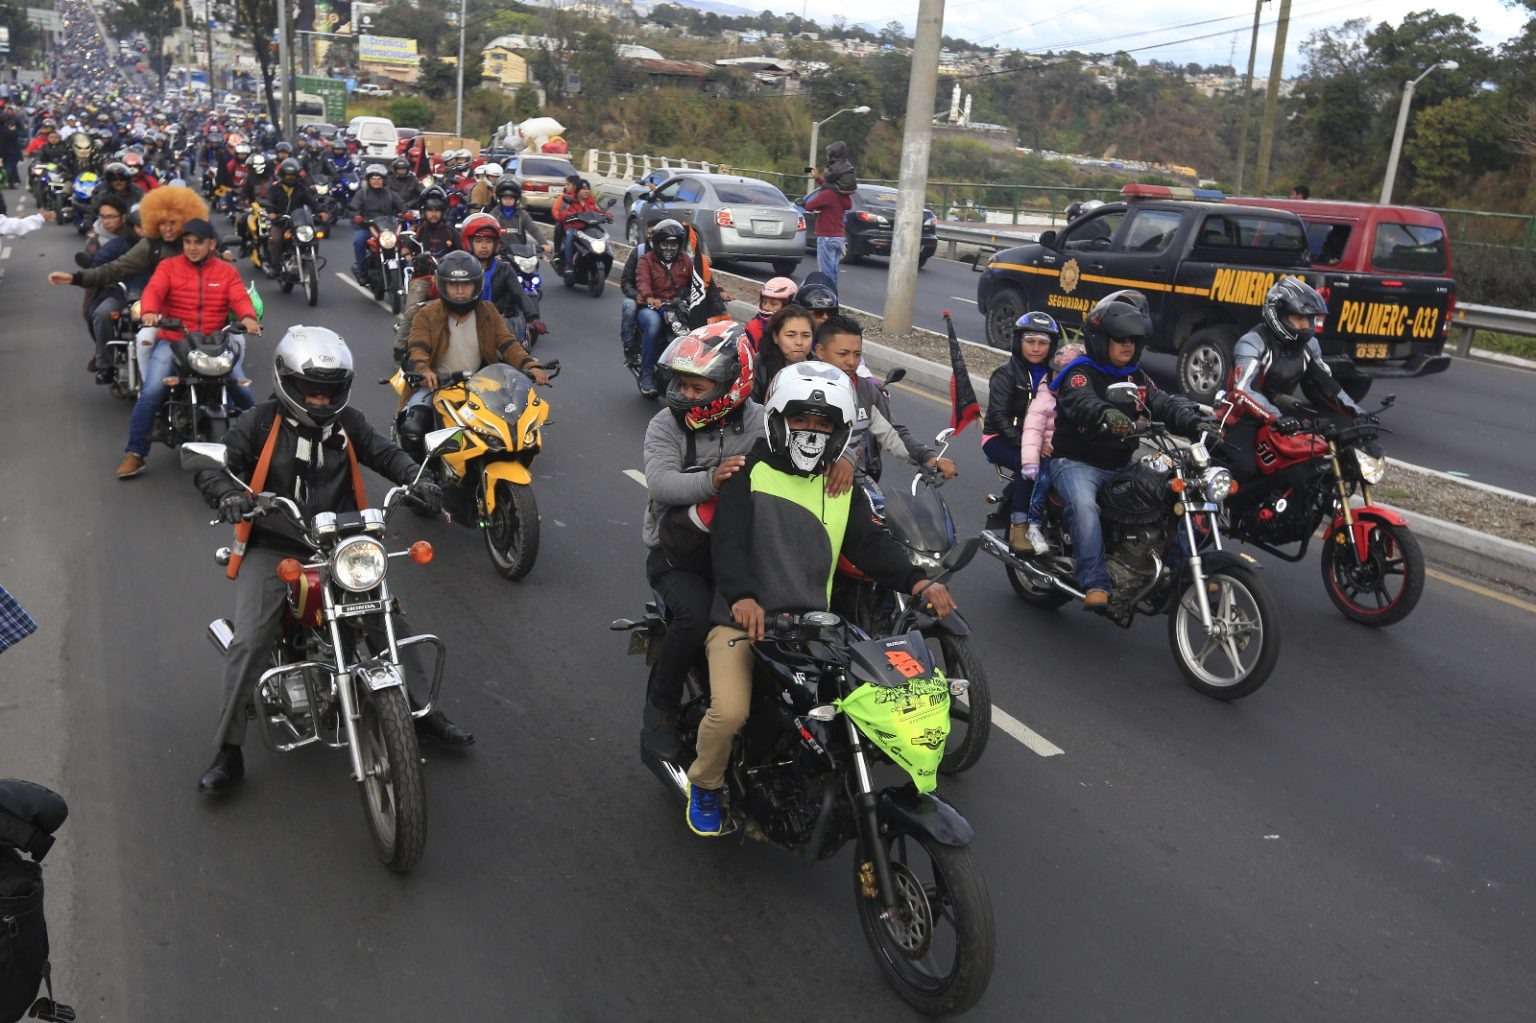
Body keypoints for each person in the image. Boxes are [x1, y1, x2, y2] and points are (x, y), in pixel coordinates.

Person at [192, 327, 471, 794]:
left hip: (341, 543)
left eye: (330, 390)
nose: (321, 400)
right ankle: (228, 750)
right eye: (311, 390)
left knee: (388, 618)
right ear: (286, 381)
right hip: (277, 544)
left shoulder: (351, 424)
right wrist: (227, 495)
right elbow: (211, 466)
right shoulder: (259, 423)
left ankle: (420, 710)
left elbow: (386, 454)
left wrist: (416, 479)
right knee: (252, 638)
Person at [685, 361, 956, 836]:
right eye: (801, 419)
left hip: (812, 623)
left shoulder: (837, 484)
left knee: (861, 702)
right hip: (742, 620)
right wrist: (743, 598)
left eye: (823, 422)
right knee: (731, 712)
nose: (812, 430)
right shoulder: (749, 474)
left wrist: (919, 582)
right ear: (778, 420)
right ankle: (706, 785)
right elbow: (726, 542)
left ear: (839, 430)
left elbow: (870, 546)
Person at [639, 322, 763, 761]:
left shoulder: (762, 420)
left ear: (734, 382)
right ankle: (660, 709)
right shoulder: (665, 424)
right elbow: (661, 484)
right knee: (693, 618)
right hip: (678, 554)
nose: (685, 394)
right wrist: (712, 479)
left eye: (697, 385)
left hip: (745, 549)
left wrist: (841, 460)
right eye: (682, 384)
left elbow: (805, 447)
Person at [1050, 290, 1212, 609]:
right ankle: (1095, 581)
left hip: (1119, 463)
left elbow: (1161, 401)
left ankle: (1183, 572)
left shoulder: (1134, 376)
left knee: (1171, 496)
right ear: (1100, 339)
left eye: (1134, 340)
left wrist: (1196, 422)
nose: (1128, 345)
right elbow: (1084, 403)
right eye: (1120, 338)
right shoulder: (1080, 374)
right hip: (1075, 463)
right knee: (1085, 507)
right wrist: (1107, 415)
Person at [114, 217, 261, 480]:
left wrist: (248, 318)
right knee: (151, 393)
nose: (192, 247)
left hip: (216, 341)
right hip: (174, 340)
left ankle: (263, 452)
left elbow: (239, 297)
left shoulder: (226, 271)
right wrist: (149, 312)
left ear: (212, 244)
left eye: (199, 242)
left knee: (243, 391)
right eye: (188, 242)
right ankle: (135, 453)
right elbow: (154, 291)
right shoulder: (168, 267)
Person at [396, 251, 551, 461]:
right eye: (453, 285)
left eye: (466, 285)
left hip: (479, 385)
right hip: (436, 385)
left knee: (515, 422)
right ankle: (415, 480)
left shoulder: (488, 311)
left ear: (476, 286)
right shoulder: (427, 314)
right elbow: (418, 345)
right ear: (443, 286)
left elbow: (507, 343)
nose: (460, 291)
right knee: (413, 428)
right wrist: (423, 369)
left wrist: (529, 365)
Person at [1220, 278, 1362, 480]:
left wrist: (1357, 412)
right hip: (1241, 418)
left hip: (1284, 417)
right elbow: (1243, 389)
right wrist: (1276, 417)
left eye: (1310, 319)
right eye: (1299, 318)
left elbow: (1325, 385)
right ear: (1277, 315)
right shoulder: (1252, 342)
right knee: (1246, 469)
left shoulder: (1310, 345)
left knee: (1316, 464)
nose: (1306, 325)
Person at [812, 314, 955, 509]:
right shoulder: (799, 388)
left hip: (853, 485)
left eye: (857, 354)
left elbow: (893, 434)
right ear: (820, 351)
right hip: (806, 483)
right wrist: (838, 458)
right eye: (843, 354)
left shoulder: (867, 392)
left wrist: (929, 457)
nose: (851, 362)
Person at [981, 311, 1060, 553]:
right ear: (1019, 342)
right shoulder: (1005, 375)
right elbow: (997, 416)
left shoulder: (1055, 376)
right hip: (1000, 438)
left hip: (1041, 439)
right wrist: (1026, 444)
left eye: (1043, 343)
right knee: (1030, 468)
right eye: (1030, 341)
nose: (1036, 348)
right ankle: (1018, 527)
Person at [1018, 342, 1085, 556]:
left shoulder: (1085, 399)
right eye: (1058, 372)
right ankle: (1034, 526)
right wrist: (1031, 461)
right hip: (1050, 453)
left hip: (1077, 455)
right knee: (1044, 481)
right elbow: (1032, 430)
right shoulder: (1045, 399)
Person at [634, 219, 692, 397]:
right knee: (653, 324)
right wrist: (649, 296)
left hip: (676, 307)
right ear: (657, 244)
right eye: (665, 243)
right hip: (651, 307)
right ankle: (647, 374)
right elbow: (642, 281)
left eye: (673, 244)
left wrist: (718, 292)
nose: (669, 248)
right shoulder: (646, 260)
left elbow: (700, 281)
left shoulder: (686, 261)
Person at [252, 158, 326, 276]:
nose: (290, 178)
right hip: (280, 222)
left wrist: (321, 211)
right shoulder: (275, 188)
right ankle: (275, 267)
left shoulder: (301, 189)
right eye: (287, 175)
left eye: (292, 175)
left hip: (298, 222)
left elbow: (312, 202)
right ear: (282, 175)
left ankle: (312, 260)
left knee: (313, 236)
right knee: (275, 240)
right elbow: (269, 202)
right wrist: (271, 213)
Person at [349, 163, 406, 278]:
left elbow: (403, 207)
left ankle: (407, 272)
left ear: (383, 180)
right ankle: (362, 271)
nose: (376, 181)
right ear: (368, 180)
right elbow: (352, 209)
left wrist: (407, 214)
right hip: (368, 227)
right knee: (358, 241)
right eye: (373, 179)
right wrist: (356, 216)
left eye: (379, 178)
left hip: (388, 228)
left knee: (406, 243)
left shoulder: (391, 194)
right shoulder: (362, 194)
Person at [751, 303, 814, 404]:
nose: (799, 342)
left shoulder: (819, 367)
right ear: (776, 337)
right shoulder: (760, 365)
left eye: (806, 335)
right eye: (790, 335)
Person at [803, 171, 853, 288]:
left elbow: (809, 206)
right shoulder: (843, 195)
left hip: (826, 237)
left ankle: (827, 296)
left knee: (825, 272)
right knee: (833, 270)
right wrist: (818, 178)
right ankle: (833, 294)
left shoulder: (827, 195)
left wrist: (807, 204)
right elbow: (832, 191)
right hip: (839, 237)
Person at [745, 276, 797, 353]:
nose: (766, 307)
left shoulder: (798, 327)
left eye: (773, 304)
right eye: (764, 302)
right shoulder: (752, 327)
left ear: (788, 306)